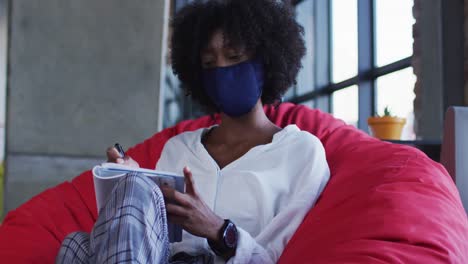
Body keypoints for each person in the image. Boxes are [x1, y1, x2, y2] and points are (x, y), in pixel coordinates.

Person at [56, 0, 330, 263]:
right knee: (77, 244)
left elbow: (276, 258)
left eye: (234, 57)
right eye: (209, 64)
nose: (222, 70)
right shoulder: (179, 148)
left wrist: (217, 228)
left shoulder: (301, 151)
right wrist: (135, 183)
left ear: (267, 61)